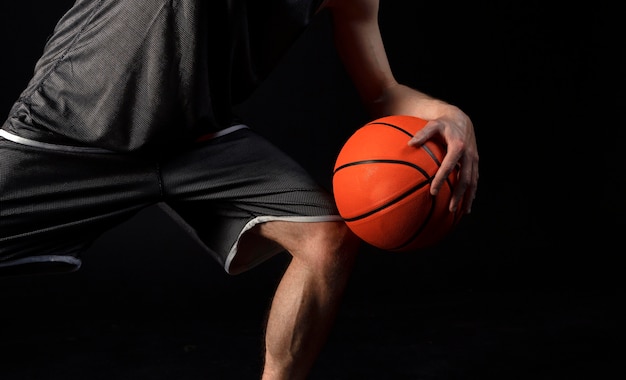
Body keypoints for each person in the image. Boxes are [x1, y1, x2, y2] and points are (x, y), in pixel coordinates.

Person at [0, 0, 479, 378]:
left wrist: (448, 114)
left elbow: (379, 92)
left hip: (195, 142)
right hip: (73, 124)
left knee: (326, 239)